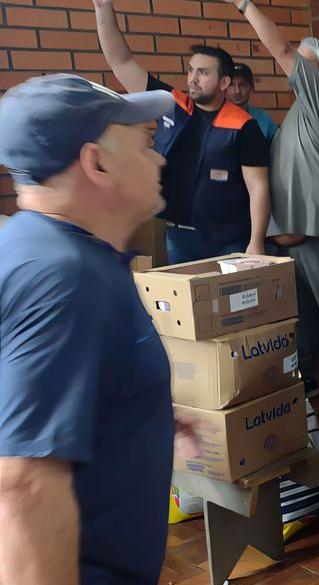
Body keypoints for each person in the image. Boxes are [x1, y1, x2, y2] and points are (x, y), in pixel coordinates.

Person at [0, 74, 198, 585]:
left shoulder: (57, 248)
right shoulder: (60, 277)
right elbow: (24, 484)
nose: (159, 160)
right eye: (147, 144)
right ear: (97, 163)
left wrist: (143, 411)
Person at [228, 0, 319, 415]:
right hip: (299, 238)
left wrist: (245, 6)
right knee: (305, 323)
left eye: (304, 64)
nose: (292, 69)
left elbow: (283, 50)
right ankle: (313, 383)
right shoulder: (300, 111)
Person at [95, 0, 271, 264]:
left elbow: (258, 187)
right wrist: (102, 8)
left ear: (224, 82)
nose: (192, 79)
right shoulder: (171, 104)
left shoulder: (244, 126)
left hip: (230, 241)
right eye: (190, 71)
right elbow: (122, 62)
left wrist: (256, 243)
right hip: (179, 239)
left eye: (203, 73)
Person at [227, 63, 279, 142]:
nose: (237, 91)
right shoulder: (214, 118)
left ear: (252, 87)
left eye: (242, 85)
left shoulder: (262, 118)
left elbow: (279, 147)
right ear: (223, 87)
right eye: (231, 85)